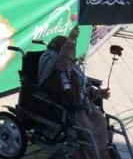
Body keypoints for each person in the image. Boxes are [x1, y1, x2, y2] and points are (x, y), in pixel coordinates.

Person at [37, 27, 112, 159]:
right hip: (68, 106)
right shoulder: (50, 59)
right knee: (88, 133)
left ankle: (101, 154)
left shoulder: (72, 66)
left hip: (82, 104)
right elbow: (62, 65)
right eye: (69, 50)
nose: (72, 54)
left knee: (100, 120)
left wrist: (96, 93)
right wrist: (71, 39)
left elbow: (83, 86)